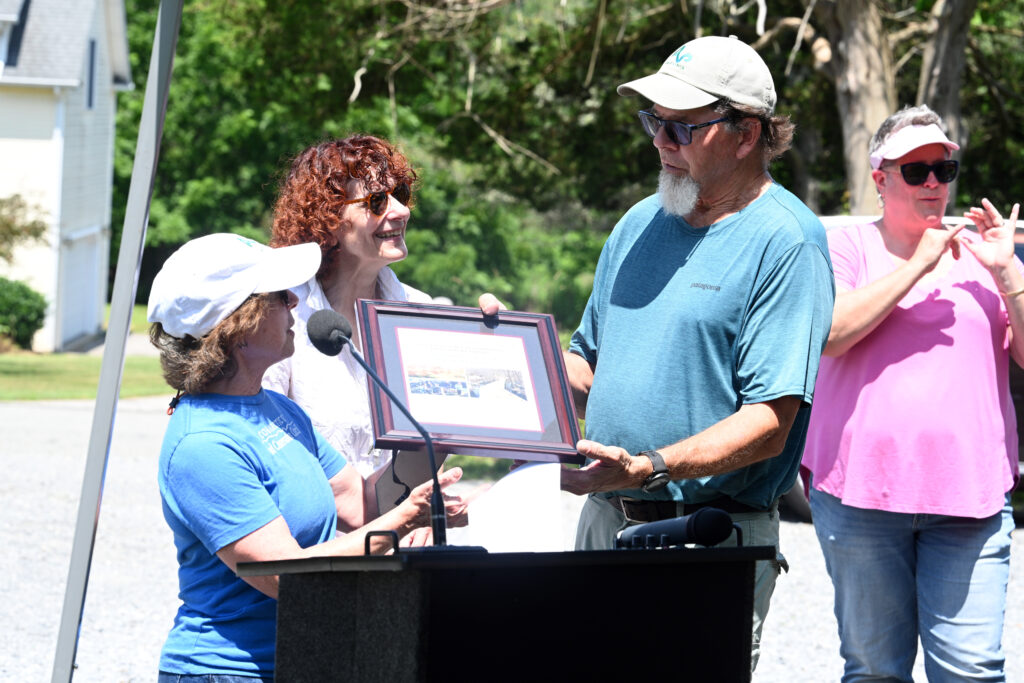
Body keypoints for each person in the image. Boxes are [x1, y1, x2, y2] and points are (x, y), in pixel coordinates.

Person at [558, 35, 835, 667]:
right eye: (654, 122)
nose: (660, 141)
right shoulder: (637, 223)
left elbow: (769, 423)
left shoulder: (787, 243)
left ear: (748, 134)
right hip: (603, 524)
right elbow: (586, 366)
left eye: (682, 128)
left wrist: (650, 466)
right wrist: (499, 364)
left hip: (704, 538)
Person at [148, 233, 465, 681]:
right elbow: (286, 578)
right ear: (238, 327)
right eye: (279, 295)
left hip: (303, 658)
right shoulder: (203, 445)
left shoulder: (279, 410)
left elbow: (360, 506)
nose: (296, 301)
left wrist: (439, 423)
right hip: (228, 672)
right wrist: (404, 520)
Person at [802, 104, 1022, 682]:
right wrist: (918, 267)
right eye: (915, 169)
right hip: (860, 498)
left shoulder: (986, 254)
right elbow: (829, 334)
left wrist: (1011, 275)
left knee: (971, 671)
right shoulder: (845, 247)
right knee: (875, 670)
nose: (932, 183)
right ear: (880, 179)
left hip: (970, 500)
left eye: (943, 171)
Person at [263, 135, 502, 494]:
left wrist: (500, 343)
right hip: (319, 538)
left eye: (401, 194)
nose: (401, 211)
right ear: (329, 219)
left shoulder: (424, 313)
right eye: (376, 201)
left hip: (403, 533)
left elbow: (454, 427)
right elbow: (267, 447)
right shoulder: (282, 313)